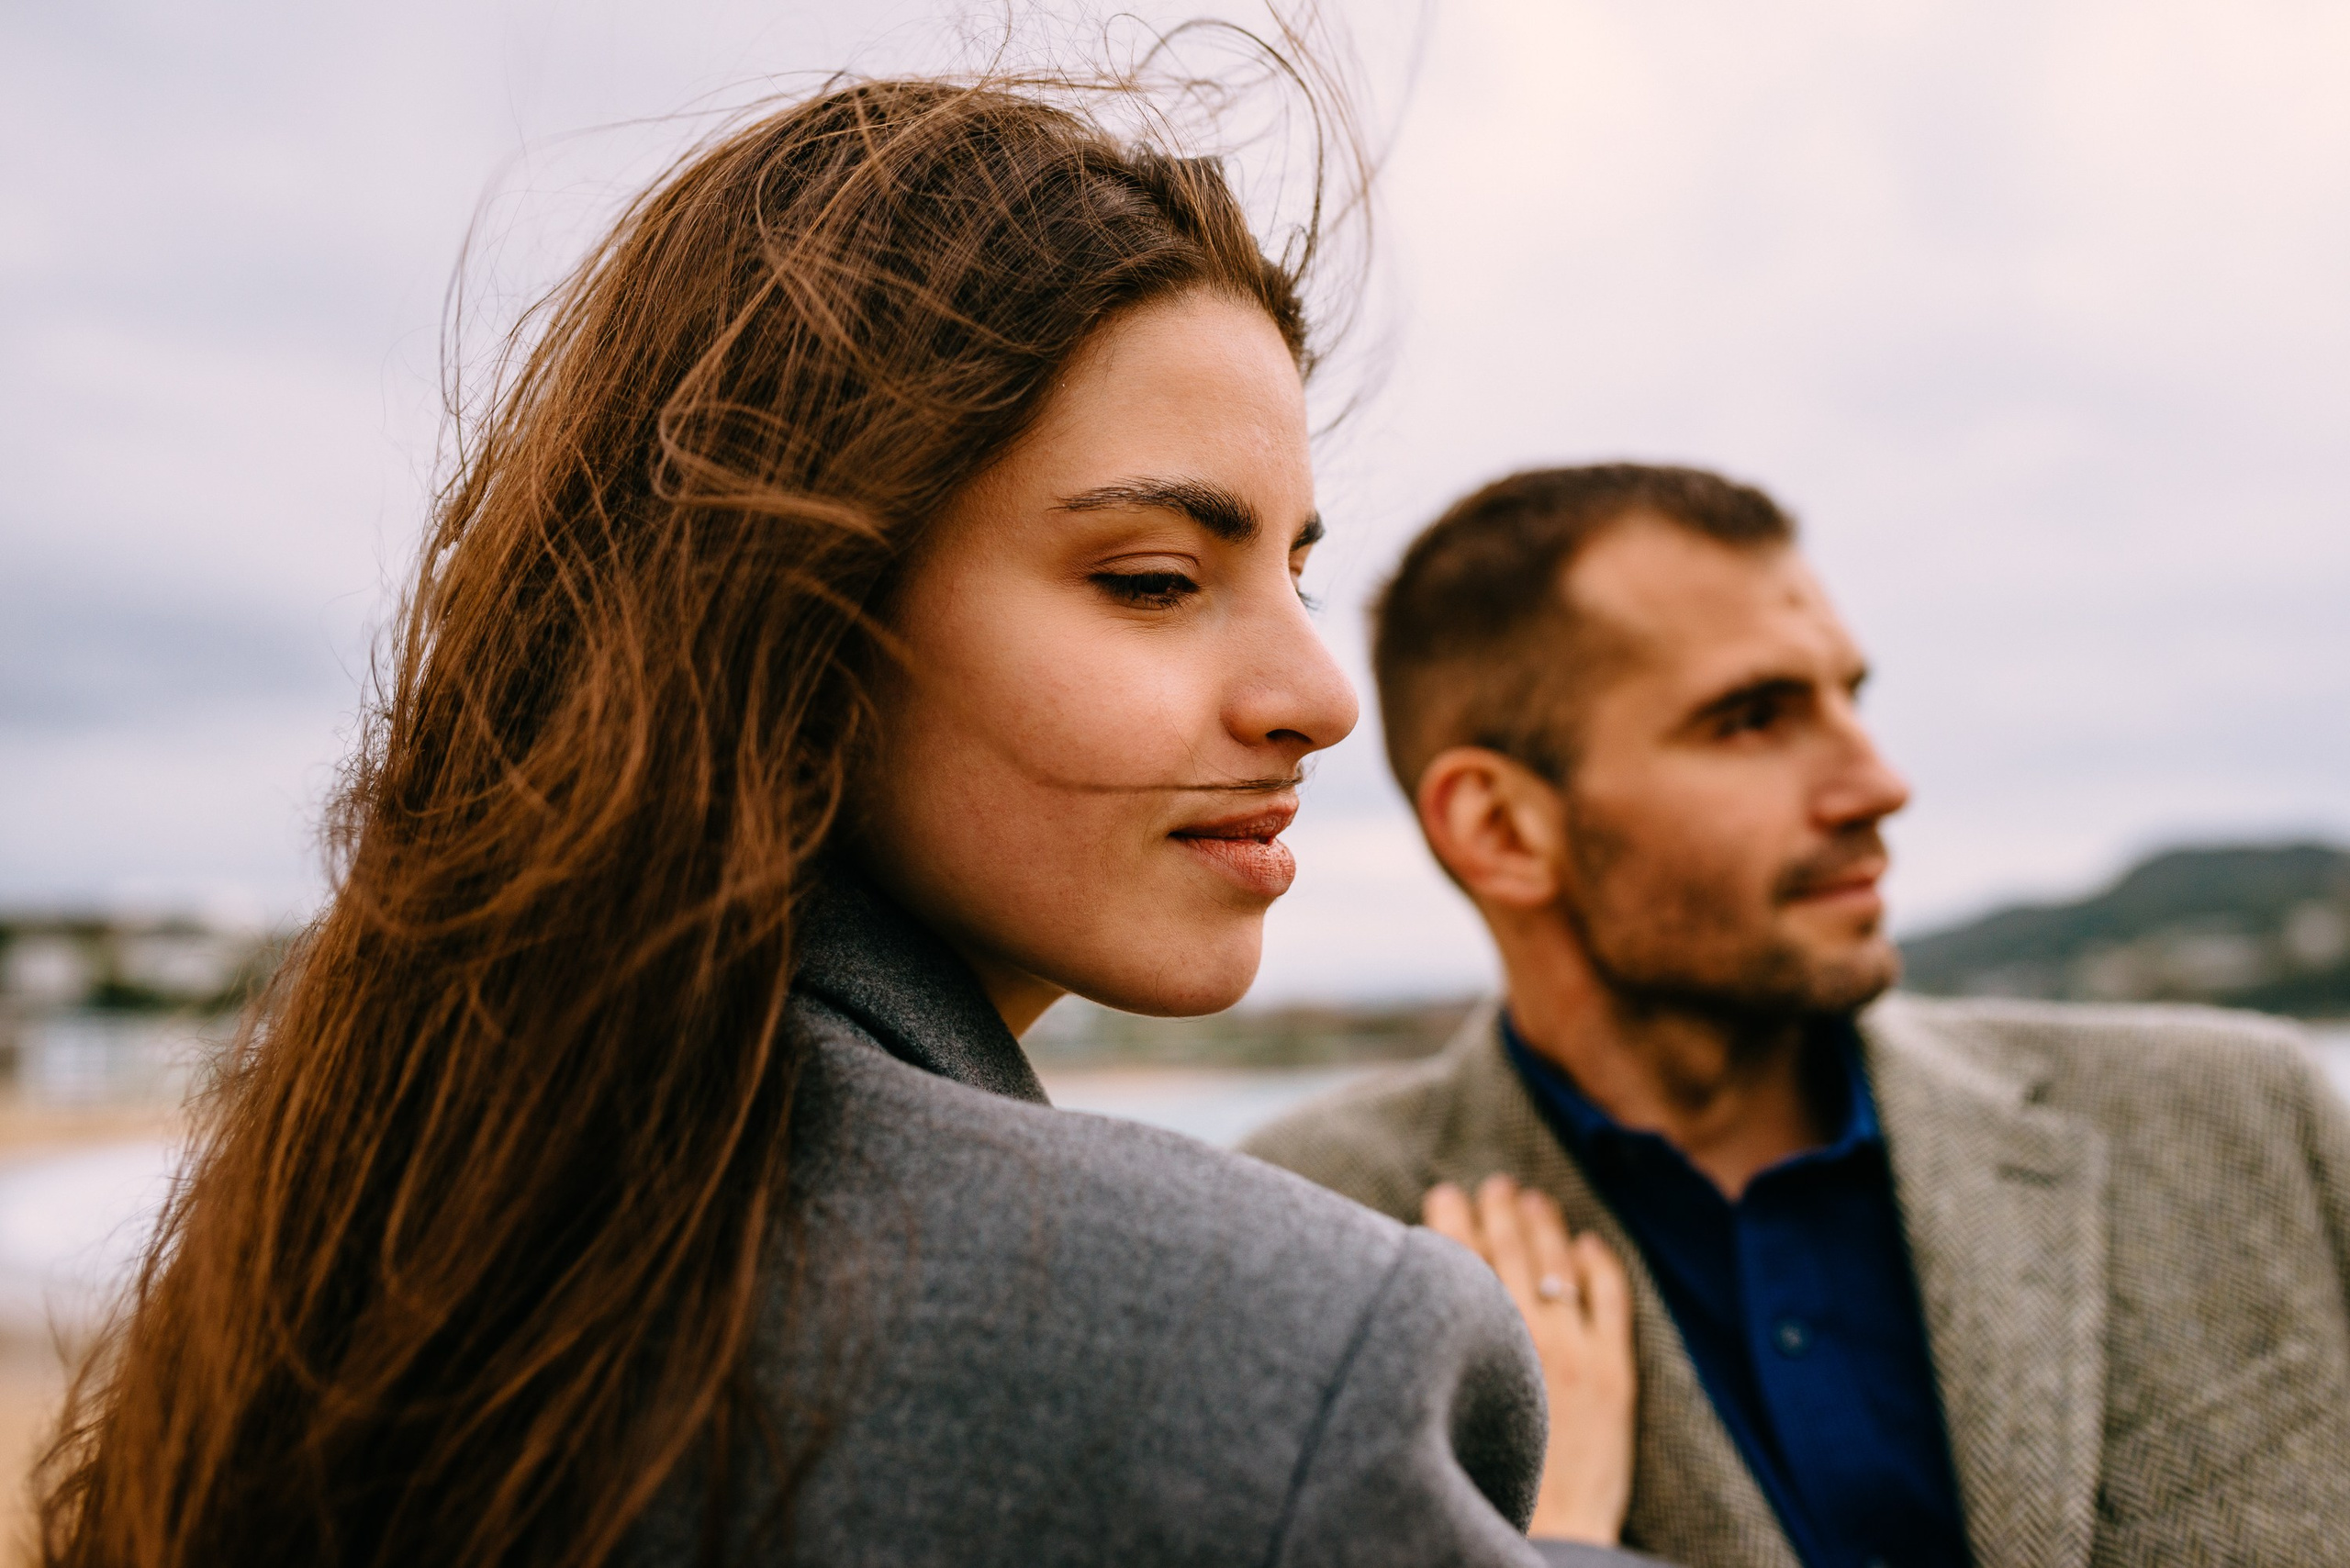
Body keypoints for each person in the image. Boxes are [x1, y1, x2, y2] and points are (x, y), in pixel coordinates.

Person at [35, 78, 1659, 1568]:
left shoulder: (365, 1218)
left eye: (1296, 572)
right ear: (792, 610)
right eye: (1157, 580)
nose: (1319, 690)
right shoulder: (1285, 1353)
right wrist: (1563, 1529)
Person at [1243, 463, 2350, 1567]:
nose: (1875, 784)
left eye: (1848, 698)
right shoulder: (1299, 1242)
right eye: (1751, 719)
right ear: (1502, 828)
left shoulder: (2244, 1119)